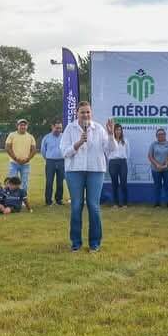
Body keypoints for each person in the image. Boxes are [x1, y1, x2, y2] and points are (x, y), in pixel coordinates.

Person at [60, 101, 114, 252]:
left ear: (91, 113)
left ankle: (95, 243)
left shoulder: (99, 129)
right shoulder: (70, 129)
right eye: (82, 112)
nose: (85, 115)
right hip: (74, 171)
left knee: (93, 206)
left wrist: (110, 135)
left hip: (95, 170)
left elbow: (111, 150)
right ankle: (76, 243)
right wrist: (78, 143)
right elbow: (64, 152)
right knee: (76, 206)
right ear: (77, 113)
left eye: (88, 112)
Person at [148, 128, 168, 208]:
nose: (161, 135)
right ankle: (157, 203)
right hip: (156, 169)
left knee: (167, 185)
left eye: (162, 134)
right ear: (156, 136)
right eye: (159, 134)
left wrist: (166, 164)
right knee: (157, 186)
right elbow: (150, 156)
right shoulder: (153, 144)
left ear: (165, 135)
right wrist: (157, 164)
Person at [6, 119, 37, 191]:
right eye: (21, 125)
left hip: (26, 164)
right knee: (12, 180)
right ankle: (11, 197)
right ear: (17, 126)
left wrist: (27, 159)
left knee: (24, 182)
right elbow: (7, 147)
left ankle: (23, 198)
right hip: (13, 163)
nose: (23, 127)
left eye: (24, 125)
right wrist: (15, 158)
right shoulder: (12, 135)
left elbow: (34, 150)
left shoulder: (30, 136)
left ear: (27, 126)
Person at [40, 121, 65, 206]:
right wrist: (48, 158)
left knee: (60, 182)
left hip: (62, 161)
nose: (59, 130)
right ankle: (48, 201)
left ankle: (59, 200)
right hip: (50, 161)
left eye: (60, 128)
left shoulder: (64, 137)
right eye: (57, 128)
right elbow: (43, 151)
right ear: (52, 127)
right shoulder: (46, 138)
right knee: (49, 182)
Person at [105, 123, 130, 208]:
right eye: (116, 130)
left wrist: (125, 160)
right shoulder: (110, 140)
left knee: (123, 183)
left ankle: (125, 203)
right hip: (113, 163)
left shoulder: (125, 140)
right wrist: (110, 159)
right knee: (114, 183)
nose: (118, 131)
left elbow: (128, 153)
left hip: (123, 162)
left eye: (120, 130)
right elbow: (107, 151)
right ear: (113, 131)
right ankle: (115, 203)